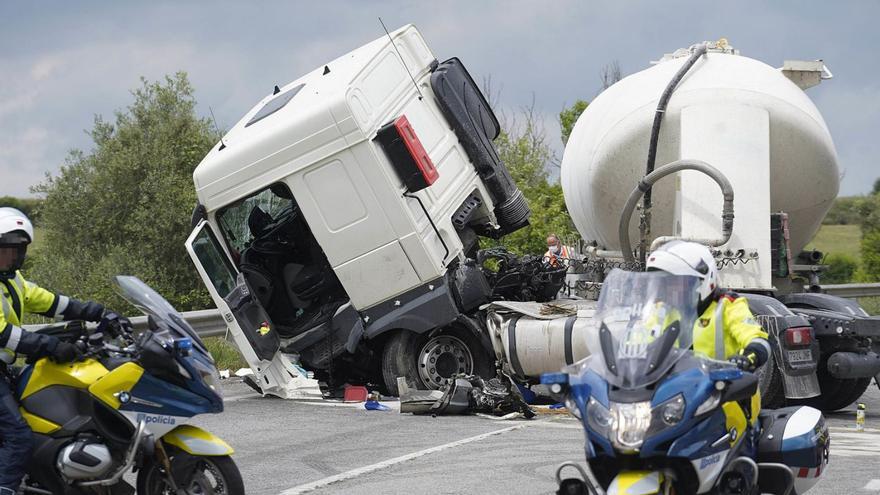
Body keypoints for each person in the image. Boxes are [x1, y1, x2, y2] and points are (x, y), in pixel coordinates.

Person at [0, 207, 126, 493]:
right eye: (7, 249)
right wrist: (53, 345)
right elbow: (4, 336)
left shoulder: (13, 281)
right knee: (19, 435)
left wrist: (100, 312)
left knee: (53, 403)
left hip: (4, 369)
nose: (13, 256)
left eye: (18, 250)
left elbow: (55, 303)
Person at [646, 240, 771, 372]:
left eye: (676, 282)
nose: (668, 288)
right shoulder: (662, 310)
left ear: (700, 281)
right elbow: (638, 341)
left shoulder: (727, 306)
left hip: (725, 387)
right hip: (678, 388)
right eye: (664, 282)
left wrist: (749, 357)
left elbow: (757, 338)